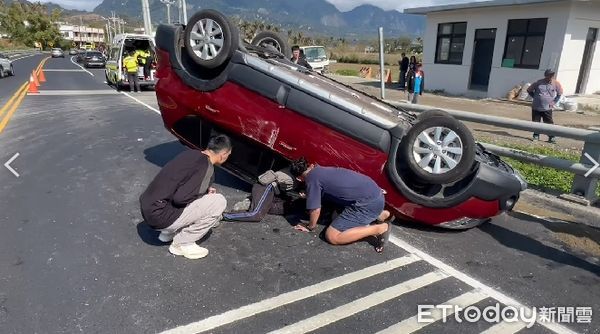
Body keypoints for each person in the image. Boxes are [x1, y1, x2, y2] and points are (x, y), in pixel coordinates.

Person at [139, 135, 232, 259]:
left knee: (196, 197)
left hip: (149, 208)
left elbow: (180, 182)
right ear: (223, 154)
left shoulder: (190, 155)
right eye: (228, 155)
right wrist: (202, 194)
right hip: (161, 217)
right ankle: (182, 243)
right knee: (218, 202)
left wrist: (202, 191)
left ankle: (167, 233)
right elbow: (180, 198)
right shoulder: (207, 167)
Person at [290, 158, 394, 253]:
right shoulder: (321, 169)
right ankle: (381, 215)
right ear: (311, 165)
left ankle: (380, 229)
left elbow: (315, 210)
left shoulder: (311, 180)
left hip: (367, 205)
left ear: (299, 178)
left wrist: (310, 227)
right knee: (335, 214)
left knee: (332, 236)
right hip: (376, 195)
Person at [527, 69, 563, 143]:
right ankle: (536, 136)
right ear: (545, 75)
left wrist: (554, 102)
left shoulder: (556, 83)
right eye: (549, 75)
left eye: (552, 75)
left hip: (547, 108)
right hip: (536, 107)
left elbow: (559, 94)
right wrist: (535, 97)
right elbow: (529, 90)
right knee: (536, 122)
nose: (551, 76)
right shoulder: (538, 82)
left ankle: (551, 137)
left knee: (549, 122)